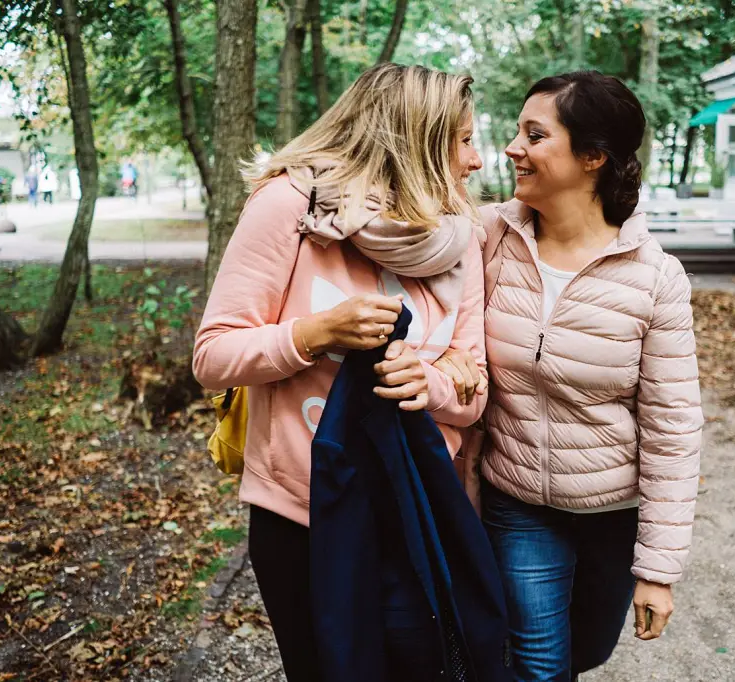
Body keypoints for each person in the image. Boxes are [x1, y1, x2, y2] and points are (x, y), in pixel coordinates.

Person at [193, 64, 495, 681]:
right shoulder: (288, 208)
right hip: (305, 520)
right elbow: (213, 356)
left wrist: (429, 383)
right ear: (415, 139)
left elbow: (472, 391)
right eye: (463, 139)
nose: (479, 160)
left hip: (417, 513)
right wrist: (317, 333)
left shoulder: (460, 236)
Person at [433, 71, 703, 681]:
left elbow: (672, 429)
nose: (510, 149)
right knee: (538, 663)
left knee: (585, 653)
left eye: (535, 135)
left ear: (593, 157)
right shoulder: (488, 237)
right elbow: (403, 238)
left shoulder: (655, 277)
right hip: (518, 502)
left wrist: (657, 570)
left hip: (612, 510)